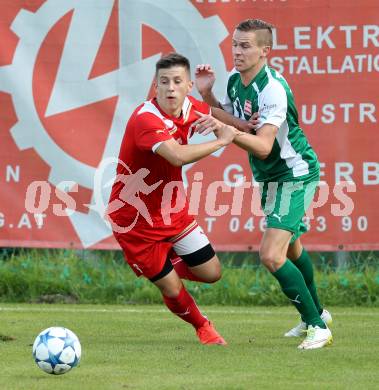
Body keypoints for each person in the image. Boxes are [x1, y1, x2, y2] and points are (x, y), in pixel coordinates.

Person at [194, 19, 332, 350]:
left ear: (264, 51)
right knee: (292, 247)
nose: (237, 51)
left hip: (294, 175)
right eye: (235, 45)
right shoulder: (233, 80)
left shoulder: (272, 89)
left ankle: (318, 327)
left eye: (245, 46)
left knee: (271, 255)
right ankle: (317, 314)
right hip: (270, 177)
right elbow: (233, 119)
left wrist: (229, 134)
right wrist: (206, 94)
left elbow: (264, 145)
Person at [107, 53, 237, 345]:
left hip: (172, 212)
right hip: (135, 221)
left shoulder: (191, 107)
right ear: (155, 86)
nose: (170, 88)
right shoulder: (146, 119)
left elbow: (220, 117)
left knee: (211, 272)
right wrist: (221, 140)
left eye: (177, 81)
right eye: (163, 82)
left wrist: (240, 124)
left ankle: (166, 268)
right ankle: (203, 327)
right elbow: (176, 157)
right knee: (171, 287)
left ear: (188, 85)